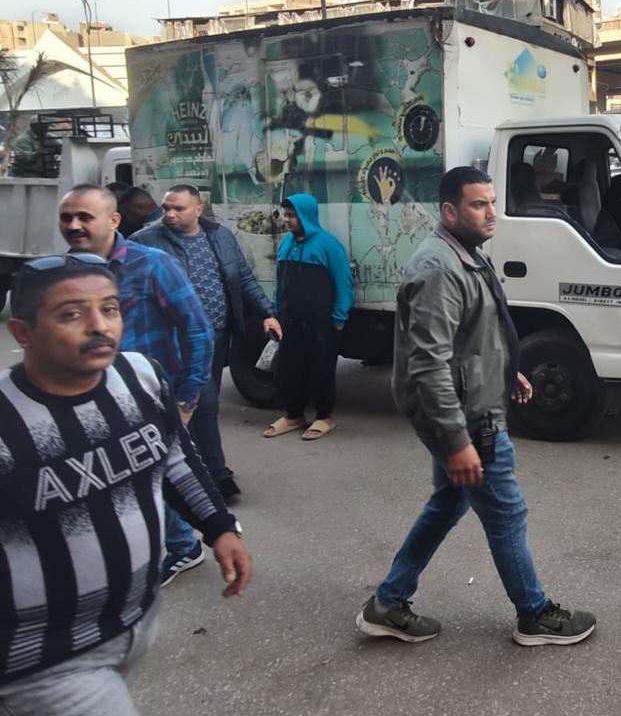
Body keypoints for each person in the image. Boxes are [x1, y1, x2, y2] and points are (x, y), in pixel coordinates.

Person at [0, 253, 251, 716]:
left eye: (110, 308)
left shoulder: (140, 376)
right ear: (23, 333)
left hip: (135, 622)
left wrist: (219, 527)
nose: (100, 326)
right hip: (46, 660)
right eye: (71, 314)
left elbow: (174, 458)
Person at [357, 167, 595, 646]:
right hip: (465, 418)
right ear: (450, 211)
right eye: (478, 204)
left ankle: (388, 602)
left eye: (492, 202)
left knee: (448, 503)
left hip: (470, 405)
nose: (491, 213)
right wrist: (457, 441)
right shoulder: (438, 269)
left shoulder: (466, 253)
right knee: (506, 513)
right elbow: (429, 364)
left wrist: (507, 372)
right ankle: (534, 615)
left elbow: (472, 338)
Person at [57, 185, 217, 585]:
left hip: (148, 397)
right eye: (66, 218)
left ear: (114, 220)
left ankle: (184, 546)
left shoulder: (153, 264)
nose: (74, 226)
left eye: (84, 217)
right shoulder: (64, 272)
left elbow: (198, 330)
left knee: (159, 474)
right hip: (90, 396)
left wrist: (187, 399)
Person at [133, 184, 280, 501]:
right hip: (176, 341)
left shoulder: (220, 236)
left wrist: (267, 313)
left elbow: (242, 277)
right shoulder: (145, 241)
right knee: (202, 403)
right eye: (166, 207)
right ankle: (215, 474)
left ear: (198, 209)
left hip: (216, 335)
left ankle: (190, 467)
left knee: (198, 406)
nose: (169, 214)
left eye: (179, 208)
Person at [261, 193, 354, 440]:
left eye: (292, 216)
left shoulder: (328, 244)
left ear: (306, 215)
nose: (287, 220)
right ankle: (294, 416)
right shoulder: (286, 244)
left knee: (321, 371)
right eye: (285, 215)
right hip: (289, 321)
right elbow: (280, 282)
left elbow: (344, 284)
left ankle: (324, 417)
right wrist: (276, 312)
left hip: (321, 322)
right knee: (288, 371)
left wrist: (338, 319)